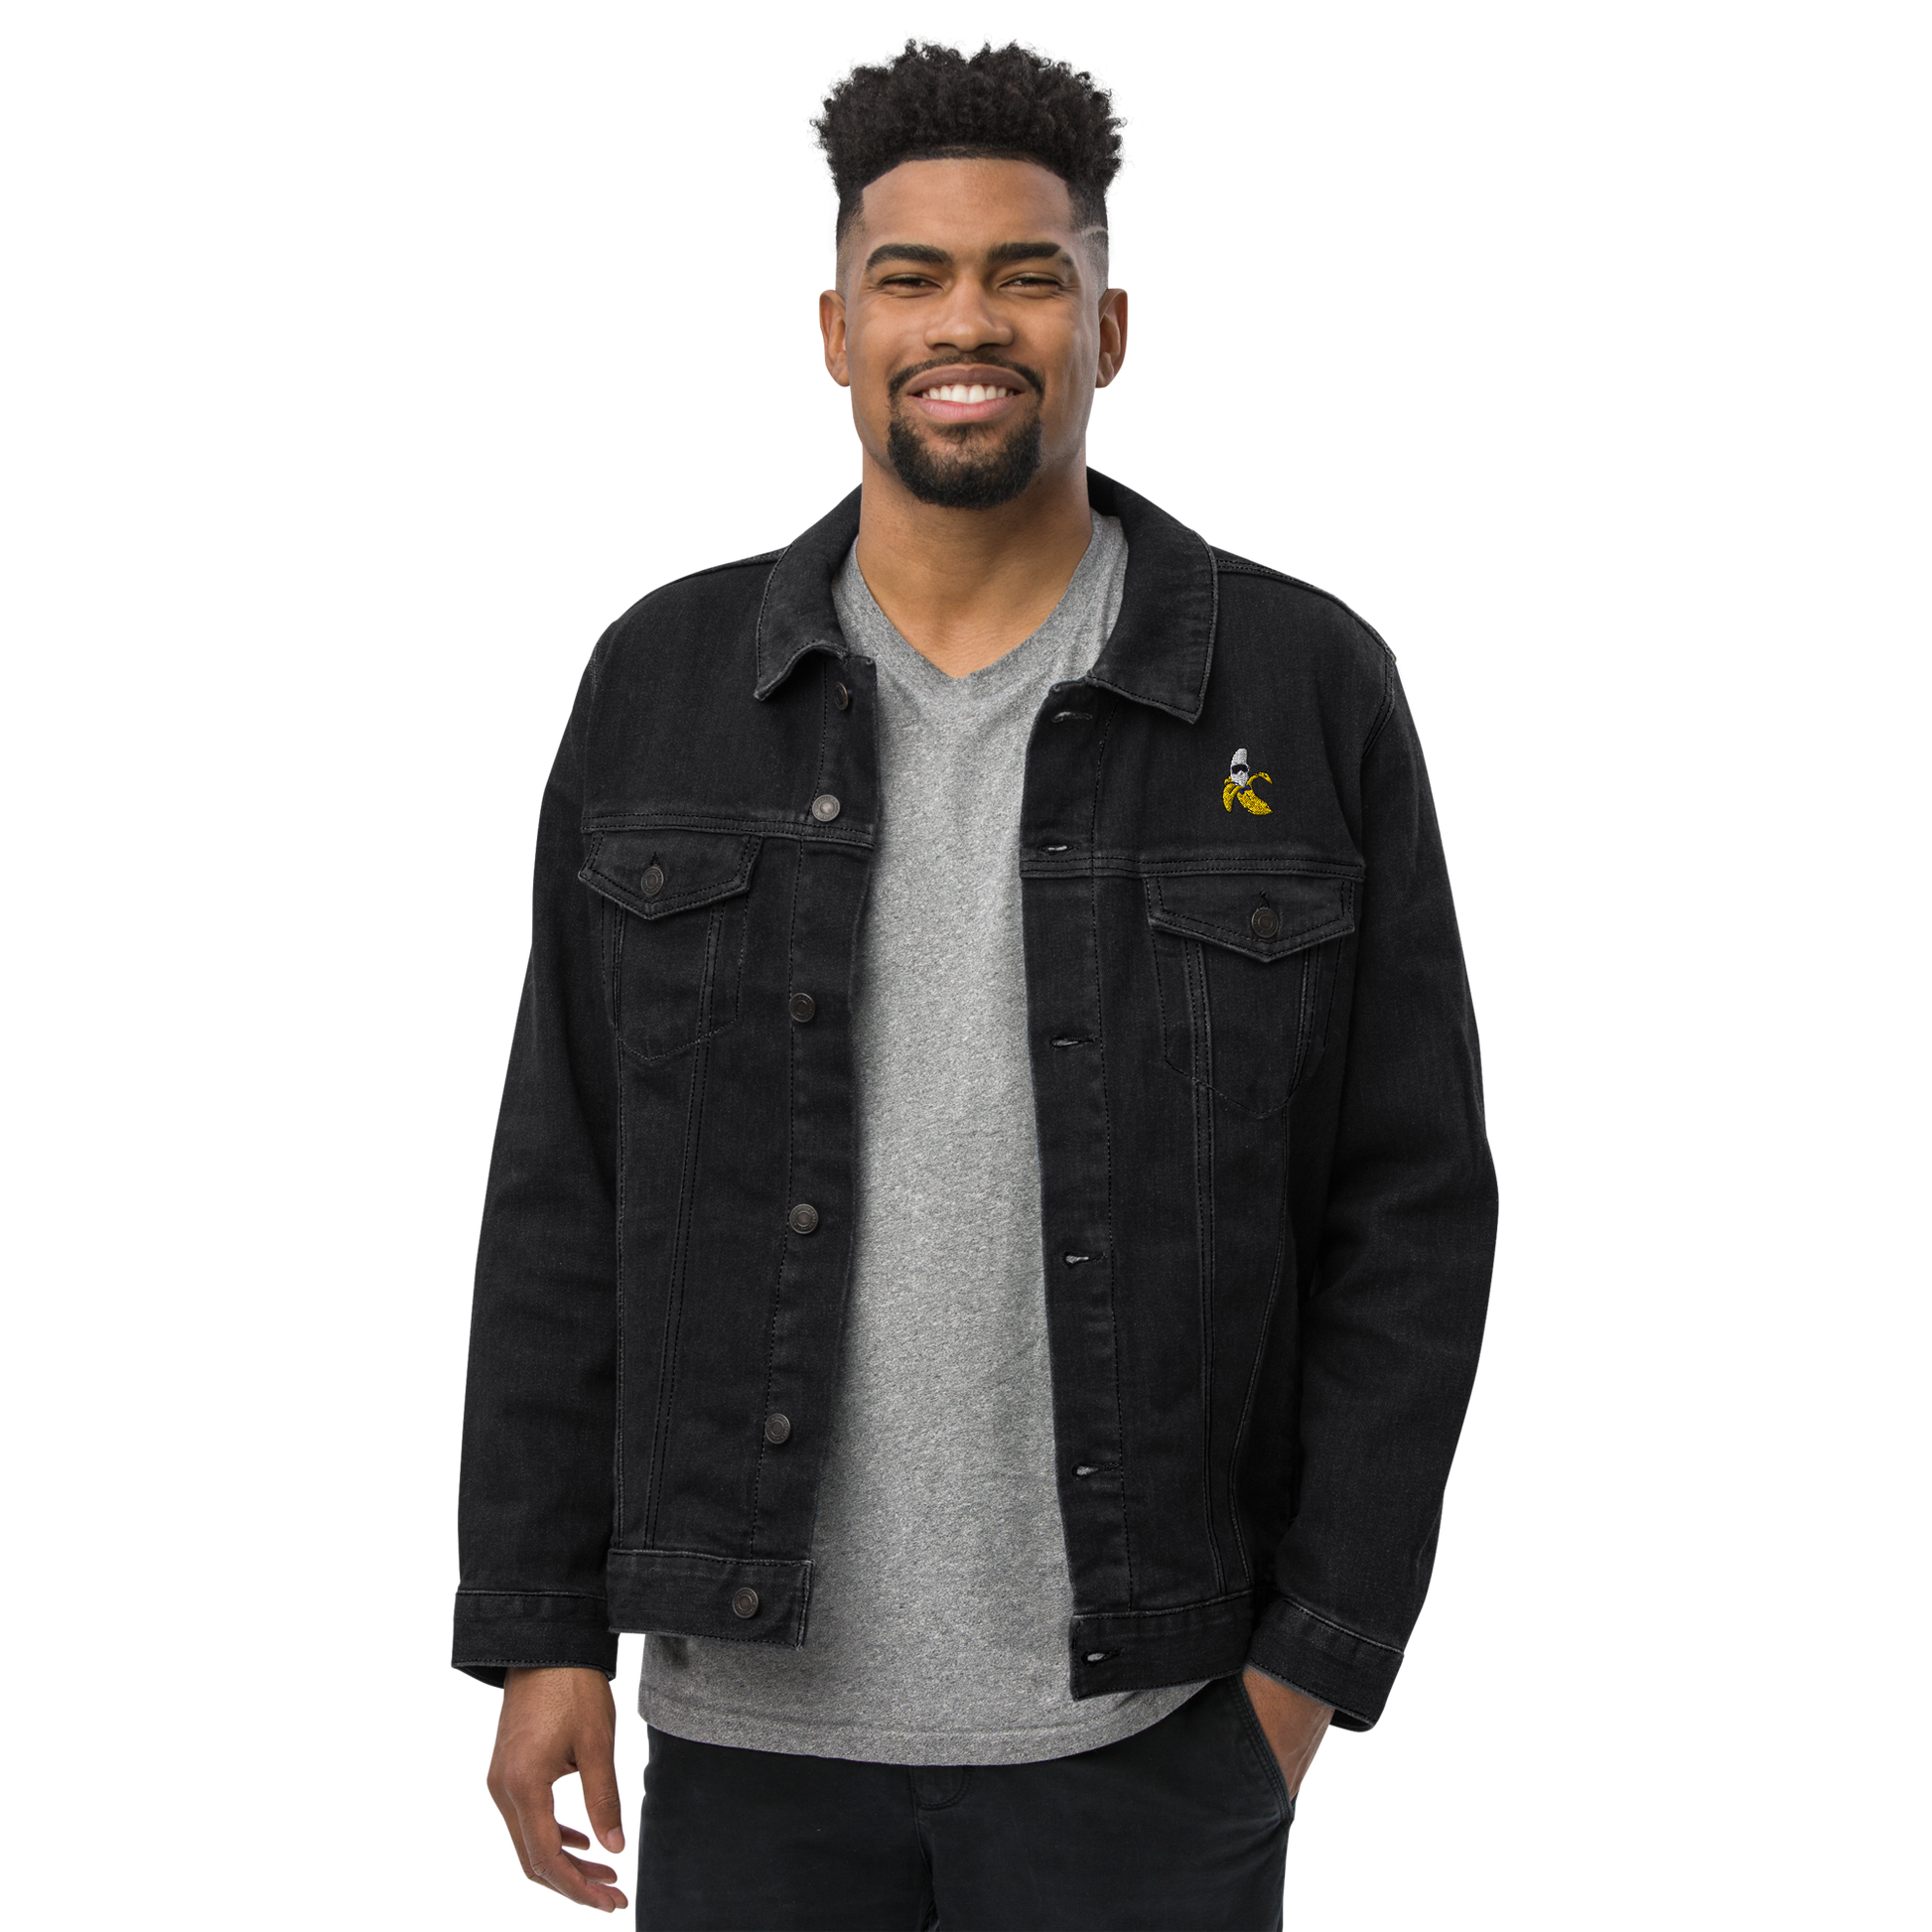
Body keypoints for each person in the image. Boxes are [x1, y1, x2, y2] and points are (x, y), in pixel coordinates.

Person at [450, 25, 1499, 1929]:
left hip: (1152, 1713)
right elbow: (561, 1181)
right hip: (741, 1717)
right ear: (834, 326)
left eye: (1027, 274)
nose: (967, 322)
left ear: (1108, 327)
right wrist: (537, 1628)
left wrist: (1307, 1668)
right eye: (910, 275)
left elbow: (1412, 1203)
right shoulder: (661, 675)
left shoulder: (1303, 681)